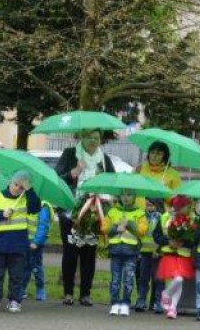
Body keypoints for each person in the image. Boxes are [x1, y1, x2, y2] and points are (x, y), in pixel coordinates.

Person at [55, 129, 116, 306]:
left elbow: (112, 184)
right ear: (82, 138)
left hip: (95, 211)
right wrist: (75, 171)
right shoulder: (70, 154)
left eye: (96, 138)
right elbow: (58, 179)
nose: (93, 140)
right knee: (70, 253)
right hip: (71, 211)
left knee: (89, 254)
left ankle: (85, 294)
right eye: (89, 137)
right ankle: (68, 292)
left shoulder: (104, 159)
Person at [0, 171, 41, 313]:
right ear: (10, 182)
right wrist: (1, 214)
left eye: (21, 187)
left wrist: (29, 190)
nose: (17, 188)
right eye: (15, 184)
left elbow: (35, 208)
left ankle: (14, 300)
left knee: (16, 275)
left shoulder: (26, 197)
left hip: (18, 243)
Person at [103, 190, 147, 317]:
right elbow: (104, 228)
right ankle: (115, 303)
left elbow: (142, 231)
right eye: (123, 195)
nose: (126, 198)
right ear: (119, 196)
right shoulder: (113, 211)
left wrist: (129, 225)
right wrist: (116, 228)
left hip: (131, 251)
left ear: (134, 197)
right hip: (116, 251)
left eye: (129, 195)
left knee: (128, 280)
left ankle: (125, 303)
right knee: (115, 279)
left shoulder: (139, 213)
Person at [154, 195, 195, 320]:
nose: (179, 209)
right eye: (177, 207)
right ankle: (169, 302)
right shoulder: (165, 218)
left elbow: (194, 238)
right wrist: (168, 242)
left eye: (183, 207)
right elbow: (157, 235)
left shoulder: (191, 220)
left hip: (183, 255)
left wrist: (183, 242)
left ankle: (172, 306)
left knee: (179, 281)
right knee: (173, 281)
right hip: (169, 254)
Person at [133, 198, 162, 312]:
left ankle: (156, 302)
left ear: (157, 206)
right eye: (147, 205)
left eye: (151, 205)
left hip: (157, 252)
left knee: (158, 279)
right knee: (143, 278)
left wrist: (158, 249)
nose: (149, 208)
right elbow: (139, 234)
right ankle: (141, 301)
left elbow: (161, 234)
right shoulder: (142, 217)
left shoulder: (160, 217)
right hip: (144, 251)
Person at [135, 141, 181, 206]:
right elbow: (130, 191)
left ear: (164, 157)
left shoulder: (173, 174)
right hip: (139, 211)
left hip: (162, 213)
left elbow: (178, 201)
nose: (154, 156)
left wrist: (164, 193)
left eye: (158, 154)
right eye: (152, 152)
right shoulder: (140, 169)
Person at [24, 200, 52, 301]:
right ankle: (22, 288)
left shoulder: (43, 206)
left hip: (35, 242)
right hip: (24, 240)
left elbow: (43, 225)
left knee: (36, 266)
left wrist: (36, 241)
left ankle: (40, 288)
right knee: (25, 265)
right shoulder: (23, 201)